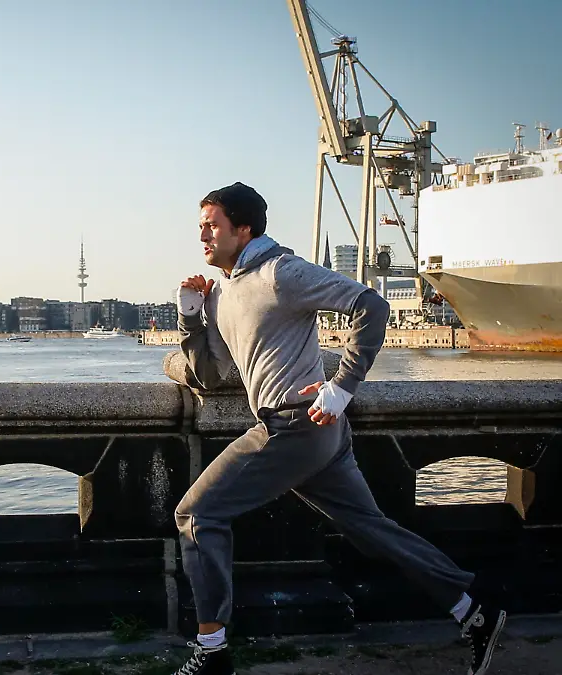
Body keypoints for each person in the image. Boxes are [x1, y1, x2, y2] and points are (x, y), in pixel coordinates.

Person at [168, 182, 506, 675]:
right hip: (314, 434)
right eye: (201, 224)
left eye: (212, 224)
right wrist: (190, 318)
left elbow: (372, 305)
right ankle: (474, 608)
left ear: (243, 228)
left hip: (293, 426)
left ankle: (212, 651)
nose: (202, 234)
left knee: (196, 516)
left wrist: (342, 385)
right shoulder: (220, 291)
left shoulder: (280, 272)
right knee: (370, 530)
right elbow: (211, 376)